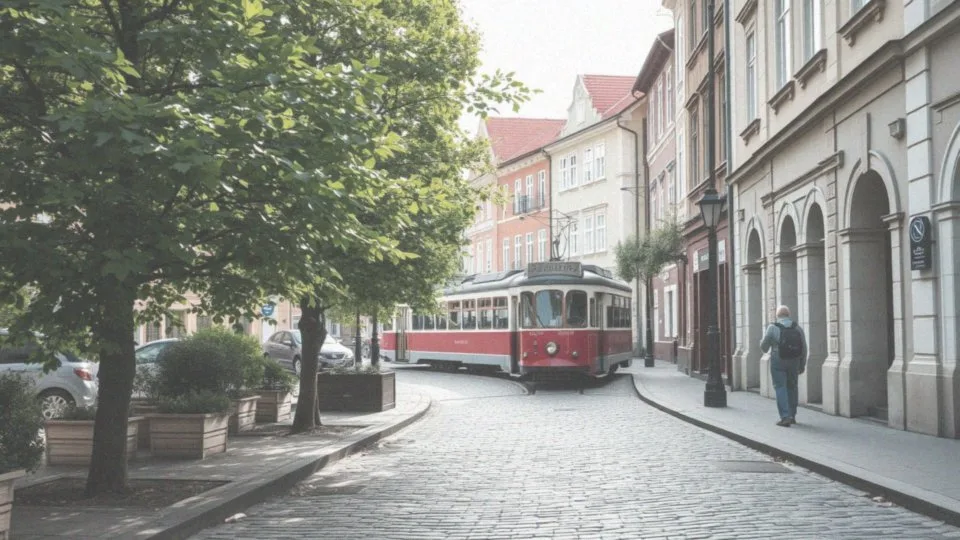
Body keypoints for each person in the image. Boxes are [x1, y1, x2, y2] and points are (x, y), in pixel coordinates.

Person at [760, 305, 807, 427]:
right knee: (792, 387)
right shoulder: (797, 328)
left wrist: (768, 343)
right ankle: (792, 415)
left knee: (780, 387)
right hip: (794, 361)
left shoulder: (772, 328)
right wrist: (802, 364)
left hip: (778, 360)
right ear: (788, 314)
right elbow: (804, 348)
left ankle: (784, 416)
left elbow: (764, 348)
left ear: (777, 315)